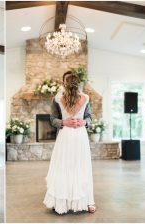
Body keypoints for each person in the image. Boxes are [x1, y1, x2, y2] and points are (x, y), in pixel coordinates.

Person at [43, 71, 96, 214]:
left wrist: (84, 121)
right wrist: (63, 121)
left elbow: (89, 117)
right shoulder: (79, 97)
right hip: (76, 135)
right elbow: (53, 119)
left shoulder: (60, 98)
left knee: (69, 167)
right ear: (78, 83)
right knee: (77, 167)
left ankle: (85, 201)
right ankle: (67, 201)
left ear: (65, 84)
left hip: (69, 135)